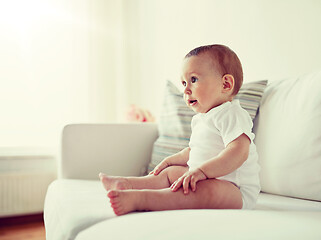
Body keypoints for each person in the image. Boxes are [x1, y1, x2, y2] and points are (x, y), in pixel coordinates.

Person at [99, 44, 260, 216]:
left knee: (204, 190)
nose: (186, 90)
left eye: (194, 80)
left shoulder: (231, 113)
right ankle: (128, 185)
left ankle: (142, 199)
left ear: (226, 84)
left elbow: (238, 151)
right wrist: (171, 161)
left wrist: (202, 171)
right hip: (203, 178)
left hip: (235, 190)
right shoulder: (200, 119)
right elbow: (194, 151)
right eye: (184, 82)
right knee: (170, 174)